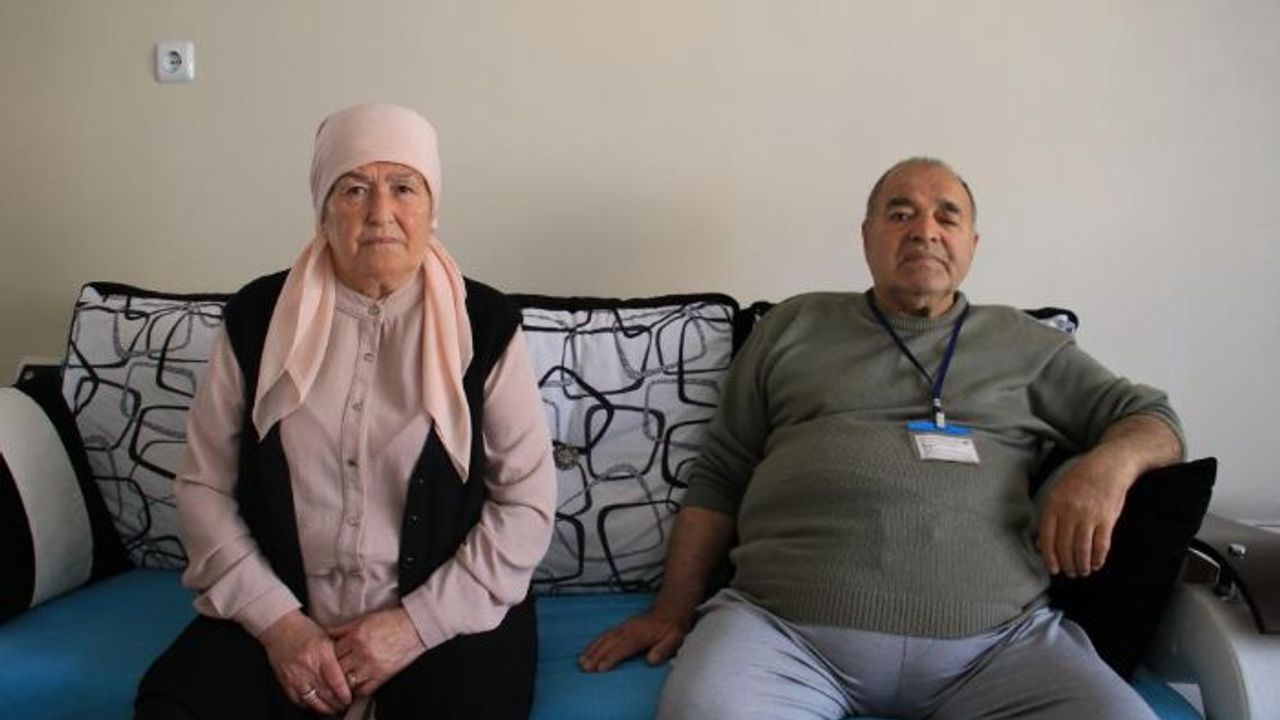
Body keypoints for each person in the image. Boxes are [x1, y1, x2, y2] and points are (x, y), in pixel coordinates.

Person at [579, 157, 1184, 719]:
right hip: (783, 633)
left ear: (973, 244)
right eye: (900, 214)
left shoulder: (1030, 345)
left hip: (998, 647)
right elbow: (721, 473)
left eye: (947, 216)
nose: (924, 230)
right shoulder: (793, 325)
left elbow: (1153, 419)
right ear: (866, 237)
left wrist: (1107, 467)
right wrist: (672, 608)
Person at [135, 104, 557, 720]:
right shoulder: (255, 318)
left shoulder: (487, 325)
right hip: (282, 611)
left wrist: (414, 626)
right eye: (354, 189)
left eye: (404, 188)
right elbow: (203, 488)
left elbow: (526, 504)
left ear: (432, 206)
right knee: (174, 705)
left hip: (447, 617)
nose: (380, 212)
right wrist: (280, 625)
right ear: (323, 208)